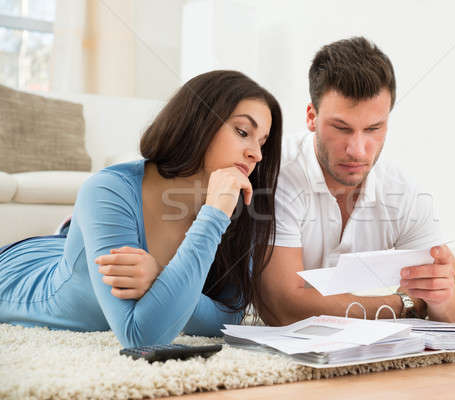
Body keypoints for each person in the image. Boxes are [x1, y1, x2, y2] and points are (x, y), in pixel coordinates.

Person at [0, 70, 282, 347]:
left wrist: (160, 276)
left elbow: (228, 318)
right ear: (198, 123)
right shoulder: (108, 188)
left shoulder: (237, 202)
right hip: (20, 271)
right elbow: (141, 335)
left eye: (262, 143)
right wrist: (213, 216)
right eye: (243, 132)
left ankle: (73, 231)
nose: (255, 154)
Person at [258, 37, 455, 325]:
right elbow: (284, 308)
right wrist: (406, 304)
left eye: (374, 128)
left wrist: (440, 296)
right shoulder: (278, 173)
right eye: (341, 128)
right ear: (312, 117)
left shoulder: (401, 190)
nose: (358, 150)